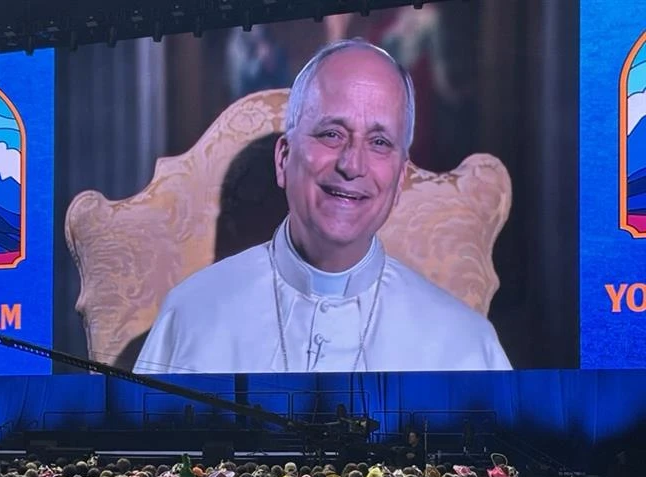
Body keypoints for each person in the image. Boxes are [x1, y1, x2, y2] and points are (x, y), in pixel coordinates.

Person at [134, 38, 511, 374]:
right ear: (283, 159)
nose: (352, 164)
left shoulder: (464, 345)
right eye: (331, 134)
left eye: (379, 142)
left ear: (399, 180)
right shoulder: (192, 316)